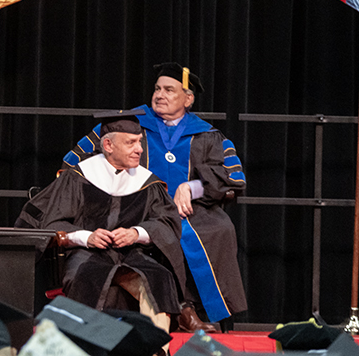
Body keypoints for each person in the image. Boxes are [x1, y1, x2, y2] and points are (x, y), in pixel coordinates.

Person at [61, 63, 246, 331]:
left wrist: (192, 187)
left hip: (192, 210)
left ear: (188, 99)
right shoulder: (132, 124)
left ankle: (208, 312)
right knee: (161, 230)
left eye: (169, 90)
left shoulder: (207, 135)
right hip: (137, 207)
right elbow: (75, 160)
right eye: (157, 88)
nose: (160, 94)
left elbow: (233, 179)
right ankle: (182, 309)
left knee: (219, 229)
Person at [17, 109, 191, 334]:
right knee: (86, 276)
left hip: (132, 255)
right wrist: (87, 237)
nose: (140, 149)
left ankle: (157, 349)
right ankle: (85, 346)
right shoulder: (78, 177)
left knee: (159, 277)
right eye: (131, 143)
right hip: (86, 255)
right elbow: (52, 223)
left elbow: (167, 223)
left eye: (139, 142)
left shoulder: (147, 182)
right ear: (108, 145)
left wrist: (136, 233)